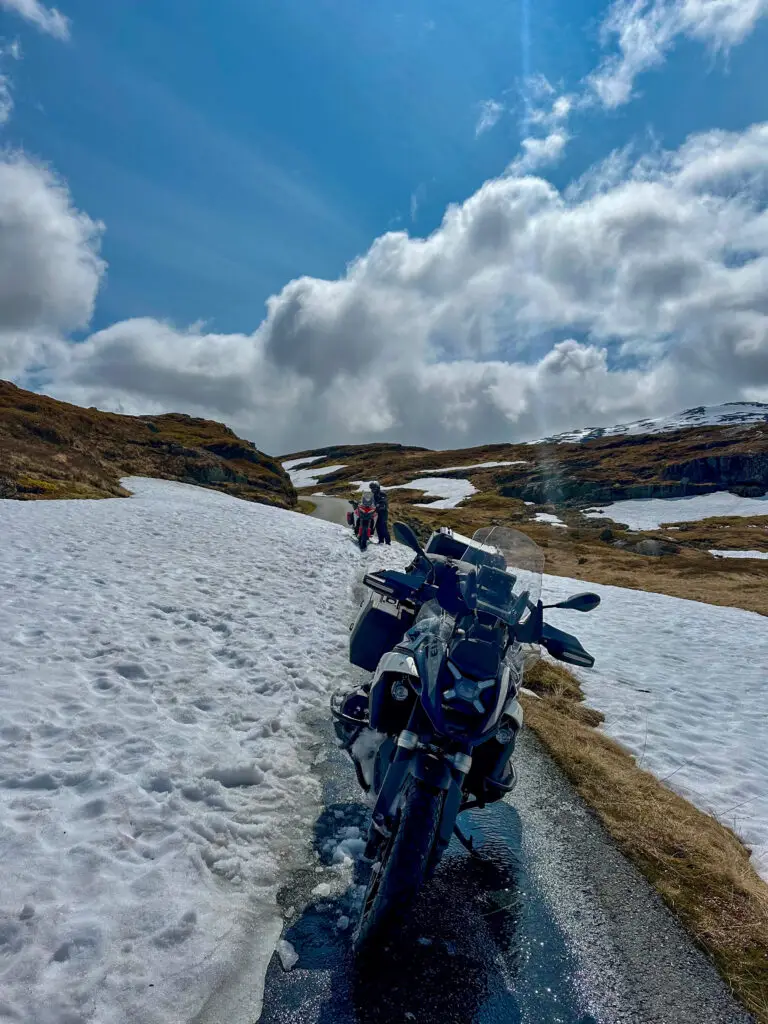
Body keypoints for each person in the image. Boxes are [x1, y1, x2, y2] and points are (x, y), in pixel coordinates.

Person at [369, 481, 390, 545]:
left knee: (383, 527)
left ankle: (388, 542)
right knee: (377, 527)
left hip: (383, 512)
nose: (373, 490)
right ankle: (381, 540)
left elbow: (384, 501)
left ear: (378, 487)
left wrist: (381, 504)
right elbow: (370, 502)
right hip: (376, 512)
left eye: (374, 488)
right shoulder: (373, 495)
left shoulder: (382, 494)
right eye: (372, 488)